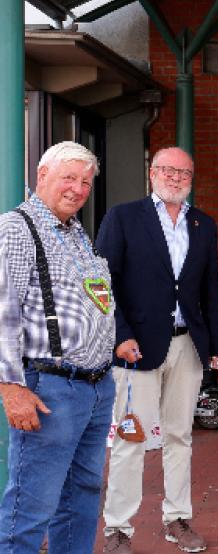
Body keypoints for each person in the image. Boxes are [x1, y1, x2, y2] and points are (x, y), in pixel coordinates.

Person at [98, 146, 218, 554]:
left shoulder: (203, 224)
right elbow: (102, 284)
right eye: (167, 170)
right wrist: (119, 334)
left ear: (191, 177)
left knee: (180, 436)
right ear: (152, 173)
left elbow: (209, 290)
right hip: (135, 348)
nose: (175, 177)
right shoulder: (123, 217)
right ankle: (117, 527)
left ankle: (178, 518)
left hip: (188, 345)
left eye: (183, 172)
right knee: (130, 437)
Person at [0, 142, 115, 553]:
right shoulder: (17, 227)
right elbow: (2, 312)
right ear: (41, 176)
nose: (78, 189)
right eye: (69, 178)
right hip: (49, 387)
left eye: (85, 181)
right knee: (32, 502)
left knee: (82, 495)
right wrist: (10, 386)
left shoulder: (76, 233)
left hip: (96, 386)